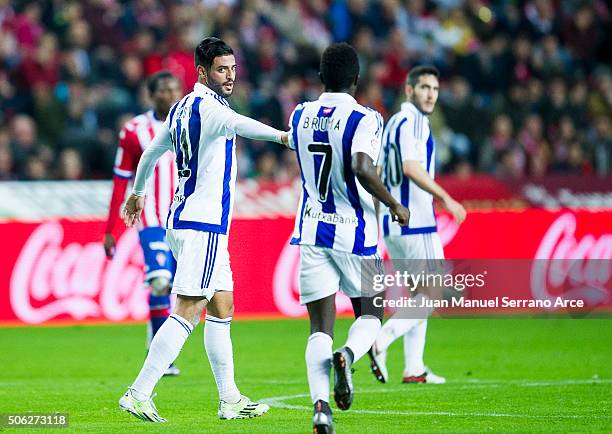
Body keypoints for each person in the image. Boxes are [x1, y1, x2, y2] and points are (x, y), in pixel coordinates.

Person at [119, 37, 289, 422]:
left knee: (222, 305)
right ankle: (139, 392)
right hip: (203, 224)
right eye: (221, 69)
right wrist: (282, 137)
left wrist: (138, 193)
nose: (229, 76)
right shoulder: (211, 109)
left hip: (184, 219)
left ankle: (229, 398)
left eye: (232, 68)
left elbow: (150, 153)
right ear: (202, 72)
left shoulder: (180, 108)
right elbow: (240, 125)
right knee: (188, 308)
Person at [287, 42, 409, 434]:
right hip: (354, 234)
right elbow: (360, 165)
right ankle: (349, 354)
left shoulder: (300, 114)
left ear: (320, 76)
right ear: (357, 80)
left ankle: (321, 408)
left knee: (319, 327)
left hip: (310, 229)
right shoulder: (366, 118)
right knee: (372, 314)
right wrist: (393, 202)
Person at [369, 65, 466, 385]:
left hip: (393, 222)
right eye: (424, 87)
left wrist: (380, 212)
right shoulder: (416, 122)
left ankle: (414, 368)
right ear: (409, 90)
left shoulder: (393, 122)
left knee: (418, 293)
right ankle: (381, 340)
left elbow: (380, 171)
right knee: (433, 293)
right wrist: (447, 197)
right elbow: (411, 168)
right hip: (417, 222)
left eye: (435, 89)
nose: (430, 94)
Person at [104, 71, 182, 377]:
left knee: (173, 288)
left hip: (184, 219)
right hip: (150, 217)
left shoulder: (193, 124)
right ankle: (163, 359)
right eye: (164, 89)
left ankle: (155, 346)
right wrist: (109, 229)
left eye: (176, 87)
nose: (171, 93)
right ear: (152, 95)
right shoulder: (135, 130)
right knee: (161, 279)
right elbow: (120, 181)